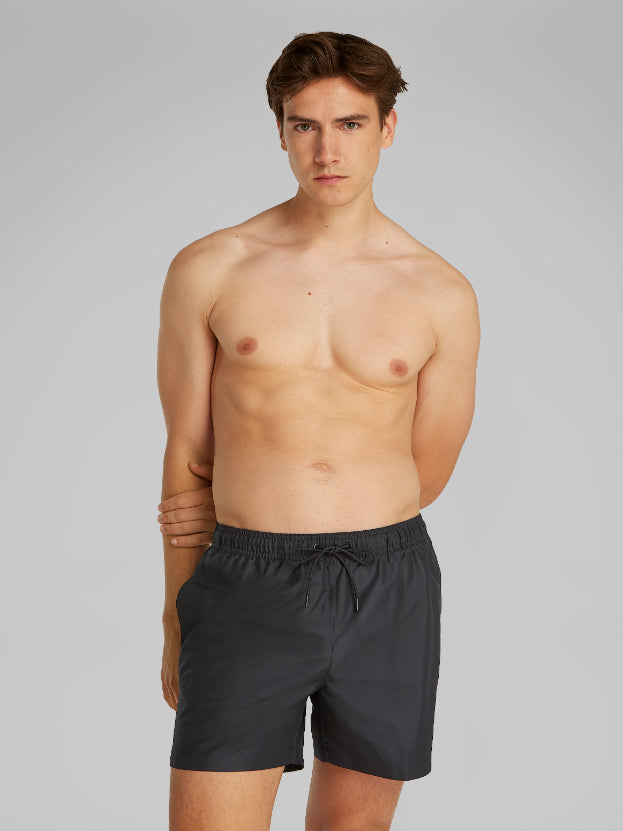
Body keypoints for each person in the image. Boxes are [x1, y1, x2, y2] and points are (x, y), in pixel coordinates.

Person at [157, 30, 480, 831]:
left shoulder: (441, 293)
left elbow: (428, 466)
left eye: (349, 124)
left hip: (389, 581)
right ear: (280, 131)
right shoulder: (210, 268)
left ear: (387, 127)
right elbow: (188, 457)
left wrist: (348, 511)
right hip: (246, 579)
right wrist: (176, 616)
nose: (326, 150)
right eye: (304, 125)